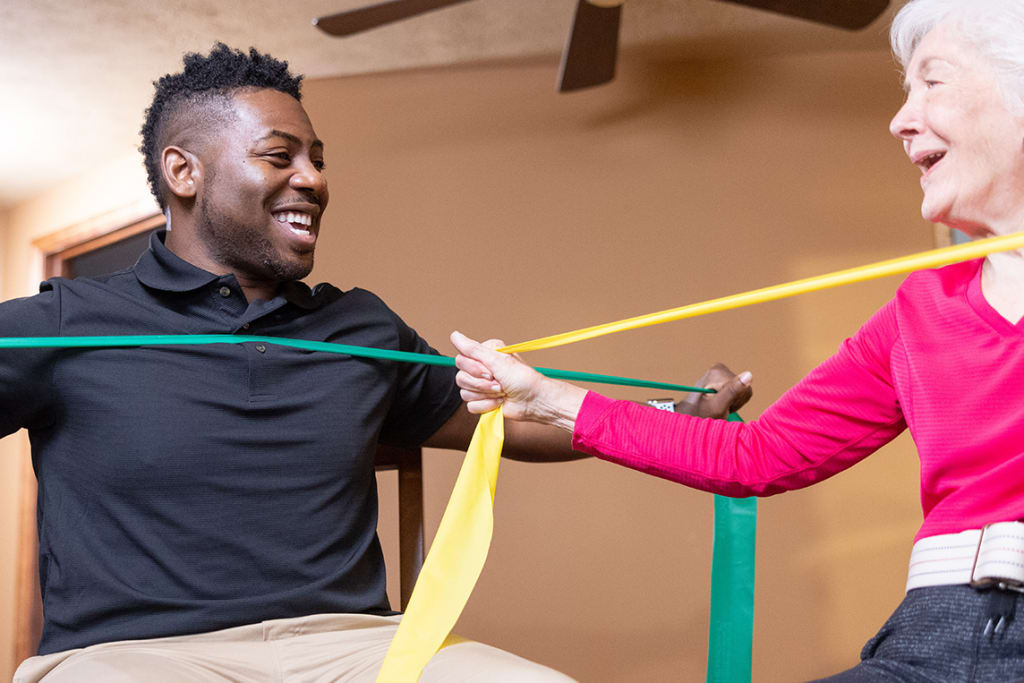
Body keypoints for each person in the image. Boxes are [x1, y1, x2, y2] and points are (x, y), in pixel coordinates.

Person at [3, 44, 748, 682]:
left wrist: (674, 418)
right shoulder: (69, 321)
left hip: (355, 647)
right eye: (278, 156)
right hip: (136, 657)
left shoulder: (359, 325)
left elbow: (514, 422)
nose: (313, 179)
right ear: (183, 172)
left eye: (317, 161)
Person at [450, 0, 1024, 680]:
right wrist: (549, 399)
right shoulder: (918, 310)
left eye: (933, 81)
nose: (900, 121)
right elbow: (758, 454)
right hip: (936, 635)